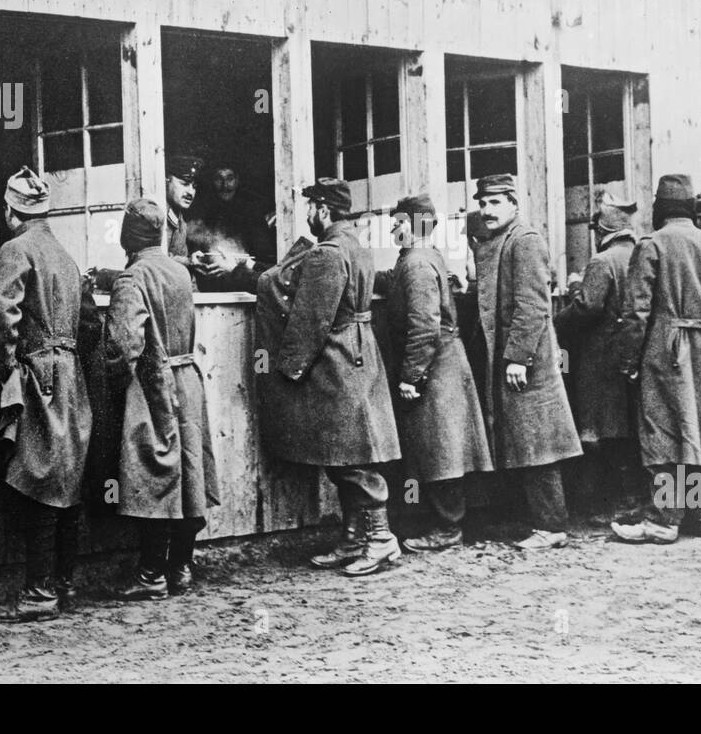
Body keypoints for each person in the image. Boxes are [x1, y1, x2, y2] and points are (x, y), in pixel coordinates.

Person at [265, 178, 402, 577]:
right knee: (343, 455)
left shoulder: (326, 253)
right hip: (356, 352)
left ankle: (380, 540)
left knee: (354, 460)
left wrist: (290, 366)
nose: (307, 215)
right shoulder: (355, 245)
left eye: (310, 207)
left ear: (323, 210)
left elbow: (312, 318)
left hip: (337, 361)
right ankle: (354, 537)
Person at [0, 167, 96, 622]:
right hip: (71, 377)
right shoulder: (65, 256)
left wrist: (8, 365)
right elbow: (89, 324)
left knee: (37, 480)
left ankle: (38, 593)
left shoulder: (16, 248)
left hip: (36, 376)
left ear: (11, 212)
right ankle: (63, 583)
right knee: (63, 477)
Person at [611, 174, 701, 544]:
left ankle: (662, 520)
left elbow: (636, 312)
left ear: (660, 206)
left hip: (665, 346)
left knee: (663, 431)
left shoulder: (652, 244)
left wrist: (629, 361)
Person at [105, 198, 220, 599]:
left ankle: (150, 574)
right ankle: (181, 568)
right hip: (187, 378)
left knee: (151, 475)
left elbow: (123, 346)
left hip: (152, 384)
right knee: (189, 473)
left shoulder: (131, 279)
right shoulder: (179, 271)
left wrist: (114, 382)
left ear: (127, 238)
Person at [470, 174, 583, 550]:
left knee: (538, 443)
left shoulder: (526, 241)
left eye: (496, 202)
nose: (486, 210)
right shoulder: (499, 241)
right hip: (509, 356)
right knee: (521, 440)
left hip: (526, 360)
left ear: (514, 204)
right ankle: (532, 520)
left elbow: (534, 305)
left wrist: (518, 357)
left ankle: (551, 527)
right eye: (483, 203)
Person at [375, 193, 492, 551]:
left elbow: (424, 325)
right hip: (442, 364)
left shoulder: (417, 264)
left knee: (441, 451)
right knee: (438, 449)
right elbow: (396, 281)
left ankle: (448, 530)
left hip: (435, 367)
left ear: (412, 225)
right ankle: (444, 524)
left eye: (397, 223)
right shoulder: (422, 258)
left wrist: (412, 376)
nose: (393, 228)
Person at [554, 196, 646, 514]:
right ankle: (633, 497)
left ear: (602, 230)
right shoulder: (641, 255)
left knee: (599, 430)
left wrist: (560, 316)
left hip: (600, 358)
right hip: (632, 355)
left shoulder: (602, 261)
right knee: (627, 428)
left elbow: (588, 308)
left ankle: (604, 502)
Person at [189, 163, 276, 293]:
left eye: (230, 178)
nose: (225, 185)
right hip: (210, 289)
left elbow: (266, 259)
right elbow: (193, 249)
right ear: (212, 181)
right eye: (219, 179)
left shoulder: (252, 214)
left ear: (237, 180)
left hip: (246, 288)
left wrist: (241, 263)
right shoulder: (203, 212)